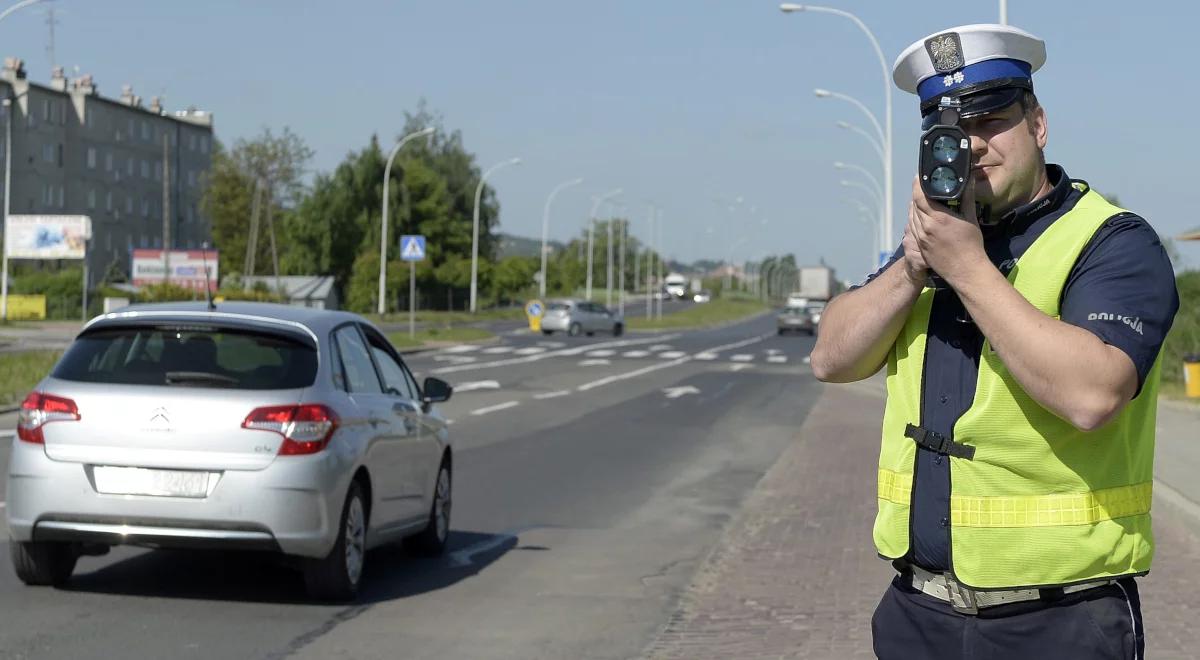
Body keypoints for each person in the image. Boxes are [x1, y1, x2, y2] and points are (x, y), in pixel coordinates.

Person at [810, 24, 1180, 659]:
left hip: (1058, 619)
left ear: (1037, 123)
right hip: (919, 610)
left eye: (991, 123)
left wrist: (968, 268)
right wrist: (912, 265)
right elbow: (830, 358)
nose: (972, 147)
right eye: (950, 132)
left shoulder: (1111, 242)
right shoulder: (929, 250)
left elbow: (1093, 394)